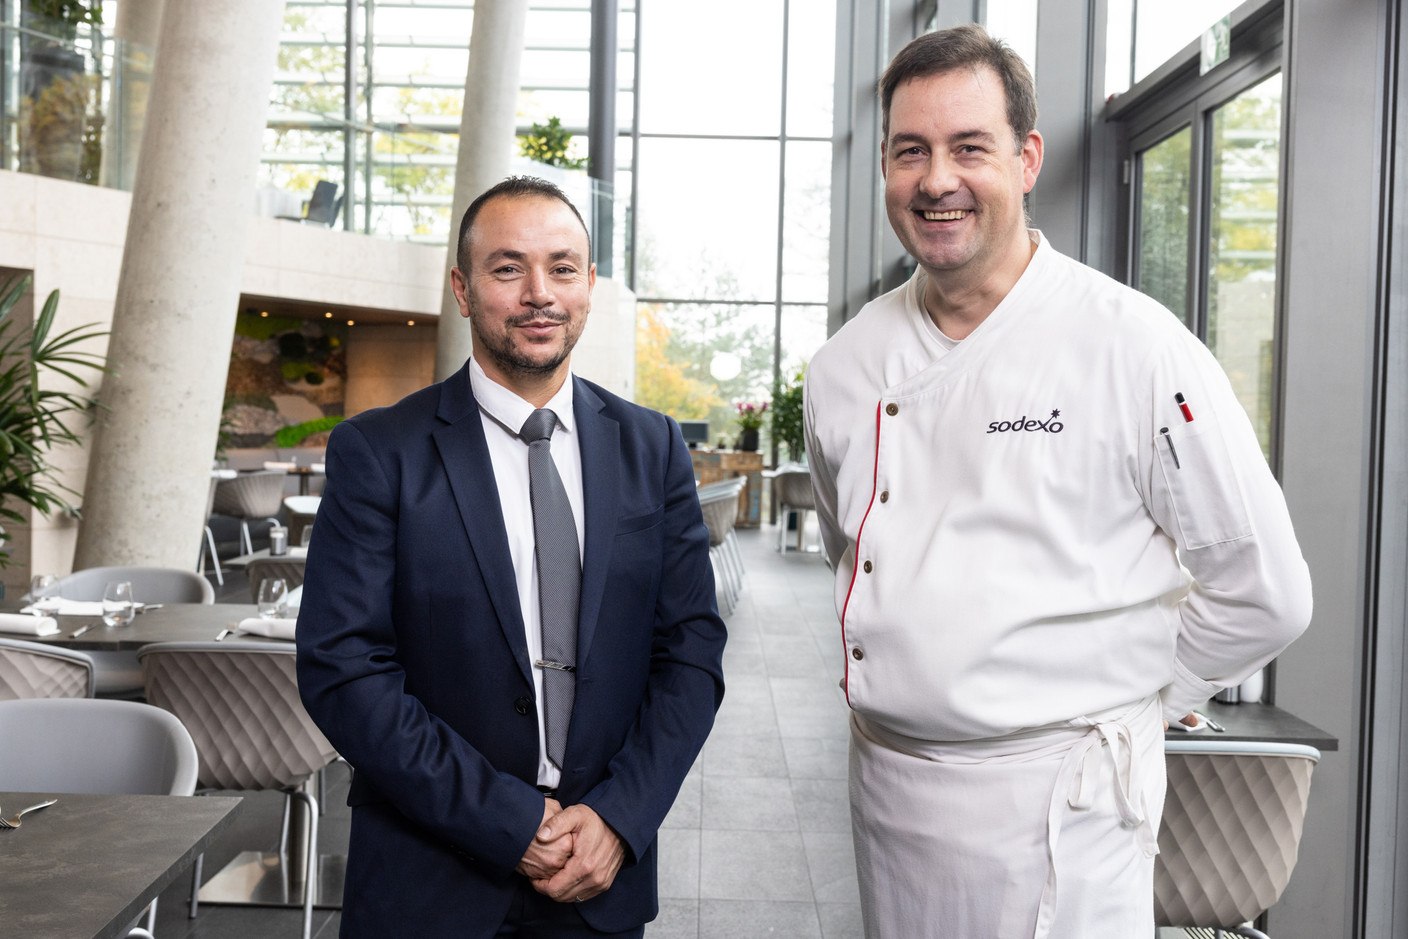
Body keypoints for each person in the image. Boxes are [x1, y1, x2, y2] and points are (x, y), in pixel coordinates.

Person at [803, 24, 1311, 939]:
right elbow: (859, 548)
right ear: (883, 165)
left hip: (1058, 802)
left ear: (1028, 158)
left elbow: (1265, 591)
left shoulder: (1135, 346)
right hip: (886, 785)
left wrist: (1132, 698)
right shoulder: (844, 365)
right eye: (909, 152)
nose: (936, 180)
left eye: (969, 148)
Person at [296, 176, 727, 938]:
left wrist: (620, 817)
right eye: (507, 268)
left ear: (588, 284)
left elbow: (691, 651)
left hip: (599, 878)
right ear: (462, 289)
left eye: (562, 267)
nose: (539, 293)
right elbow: (343, 666)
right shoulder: (380, 451)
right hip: (428, 882)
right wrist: (510, 821)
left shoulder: (651, 446)